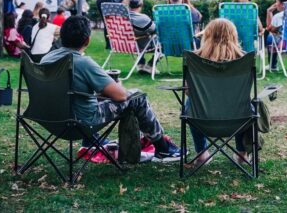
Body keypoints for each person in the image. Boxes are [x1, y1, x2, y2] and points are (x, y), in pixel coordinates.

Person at [40, 15, 181, 160]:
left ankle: (91, 140)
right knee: (138, 97)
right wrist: (116, 84)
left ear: (62, 37)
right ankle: (163, 148)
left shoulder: (47, 59)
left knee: (86, 96)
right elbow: (121, 96)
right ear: (87, 40)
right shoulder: (82, 63)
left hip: (50, 118)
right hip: (81, 122)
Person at [186, 18, 256, 166]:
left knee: (191, 103)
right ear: (233, 36)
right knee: (244, 103)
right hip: (237, 119)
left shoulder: (195, 59)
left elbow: (188, 91)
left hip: (202, 119)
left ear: (207, 36)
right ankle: (242, 153)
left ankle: (202, 153)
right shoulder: (244, 60)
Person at [127, 0, 158, 74]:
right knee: (163, 41)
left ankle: (140, 64)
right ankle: (150, 65)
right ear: (141, 4)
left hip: (127, 44)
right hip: (143, 45)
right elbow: (155, 29)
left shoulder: (123, 17)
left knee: (141, 36)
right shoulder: (142, 19)